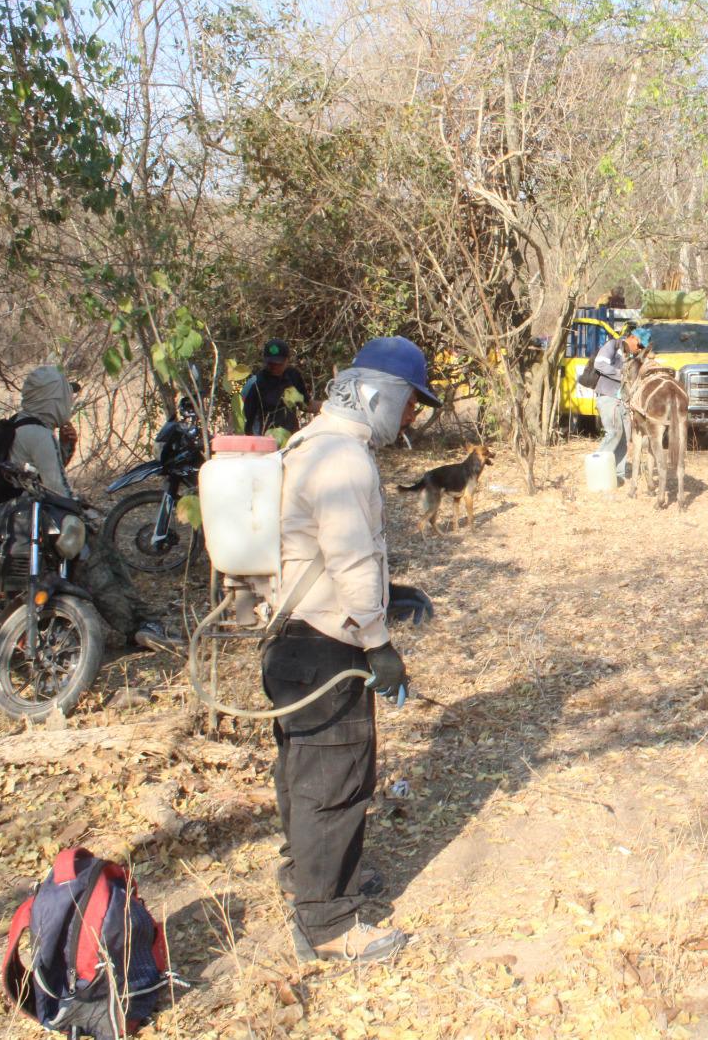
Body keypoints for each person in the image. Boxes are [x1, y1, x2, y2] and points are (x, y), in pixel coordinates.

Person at [266, 335, 438, 963]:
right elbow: (350, 558)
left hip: (289, 636)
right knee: (334, 777)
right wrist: (379, 642)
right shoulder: (344, 460)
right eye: (410, 402)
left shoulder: (308, 443)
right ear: (376, 394)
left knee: (303, 768)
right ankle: (327, 922)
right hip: (326, 643)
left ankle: (308, 874)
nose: (412, 416)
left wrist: (391, 594)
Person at [4, 366, 178, 653]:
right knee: (99, 560)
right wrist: (83, 512)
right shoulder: (39, 434)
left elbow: (33, 478)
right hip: (40, 523)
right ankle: (137, 623)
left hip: (15, 521)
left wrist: (65, 448)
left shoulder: (14, 426)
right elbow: (58, 490)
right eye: (65, 396)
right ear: (53, 398)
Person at [589, 331, 644, 481]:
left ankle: (617, 475)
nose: (639, 349)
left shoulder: (632, 356)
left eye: (642, 347)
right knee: (614, 433)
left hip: (622, 402)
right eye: (639, 344)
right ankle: (596, 471)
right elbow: (599, 364)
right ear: (632, 337)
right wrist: (621, 374)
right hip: (608, 398)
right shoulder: (613, 345)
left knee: (624, 438)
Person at [242, 339, 316, 437]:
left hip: (292, 437)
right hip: (268, 438)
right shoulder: (256, 384)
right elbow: (249, 421)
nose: (275, 367)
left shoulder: (293, 376)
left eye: (279, 363)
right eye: (271, 363)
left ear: (287, 360)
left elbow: (306, 405)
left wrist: (327, 406)